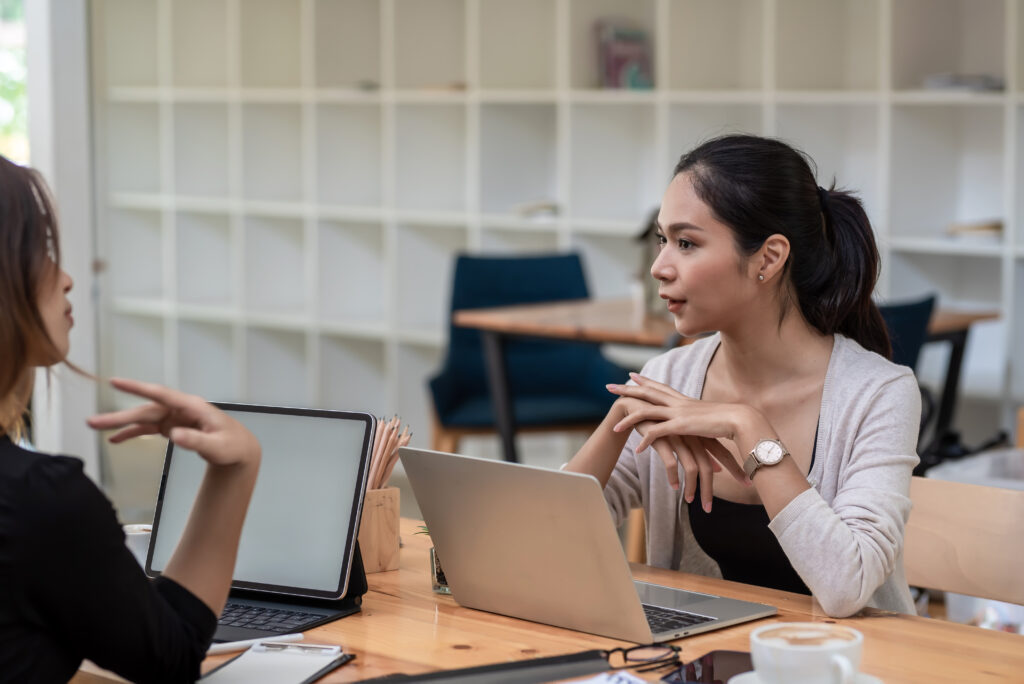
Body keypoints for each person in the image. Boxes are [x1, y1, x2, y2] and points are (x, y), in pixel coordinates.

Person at [566, 135, 920, 618]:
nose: (658, 267)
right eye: (662, 240)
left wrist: (748, 427)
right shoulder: (669, 378)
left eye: (686, 243)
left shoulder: (878, 394)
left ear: (769, 259)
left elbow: (845, 585)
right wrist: (617, 421)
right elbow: (549, 536)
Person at [0, 155, 262, 682]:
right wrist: (237, 467)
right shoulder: (38, 504)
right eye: (40, 252)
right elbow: (170, 658)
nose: (67, 278)